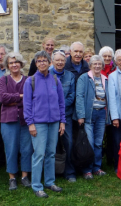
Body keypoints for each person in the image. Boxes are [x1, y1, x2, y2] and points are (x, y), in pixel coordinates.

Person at [23, 51, 66, 198]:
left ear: (49, 63)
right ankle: (37, 186)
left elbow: (61, 102)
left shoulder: (55, 80)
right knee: (39, 154)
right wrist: (30, 124)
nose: (42, 63)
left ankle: (49, 182)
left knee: (51, 153)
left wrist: (62, 121)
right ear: (36, 64)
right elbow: (27, 105)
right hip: (38, 124)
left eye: (45, 60)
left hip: (54, 122)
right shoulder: (31, 81)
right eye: (39, 61)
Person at [0, 52, 32, 190]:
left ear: (21, 64)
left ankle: (25, 176)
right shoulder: (4, 80)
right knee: (11, 149)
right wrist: (21, 97)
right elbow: (3, 99)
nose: (14, 65)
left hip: (26, 120)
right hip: (8, 120)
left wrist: (13, 100)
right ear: (7, 65)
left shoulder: (28, 80)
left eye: (16, 62)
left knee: (27, 148)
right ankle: (12, 178)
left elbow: (31, 99)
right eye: (11, 63)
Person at [76, 55, 108, 180]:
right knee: (89, 142)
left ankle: (97, 167)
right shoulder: (84, 78)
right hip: (89, 114)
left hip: (101, 114)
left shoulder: (105, 79)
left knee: (99, 143)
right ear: (90, 66)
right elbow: (79, 97)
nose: (97, 66)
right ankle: (87, 170)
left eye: (99, 64)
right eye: (94, 64)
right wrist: (81, 116)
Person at [50, 50, 76, 182]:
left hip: (66, 115)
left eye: (62, 60)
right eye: (57, 60)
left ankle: (69, 171)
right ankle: (51, 172)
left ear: (65, 62)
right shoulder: (47, 74)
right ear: (52, 61)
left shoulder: (70, 76)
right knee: (51, 144)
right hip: (50, 117)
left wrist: (60, 106)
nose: (60, 62)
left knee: (69, 143)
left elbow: (72, 95)